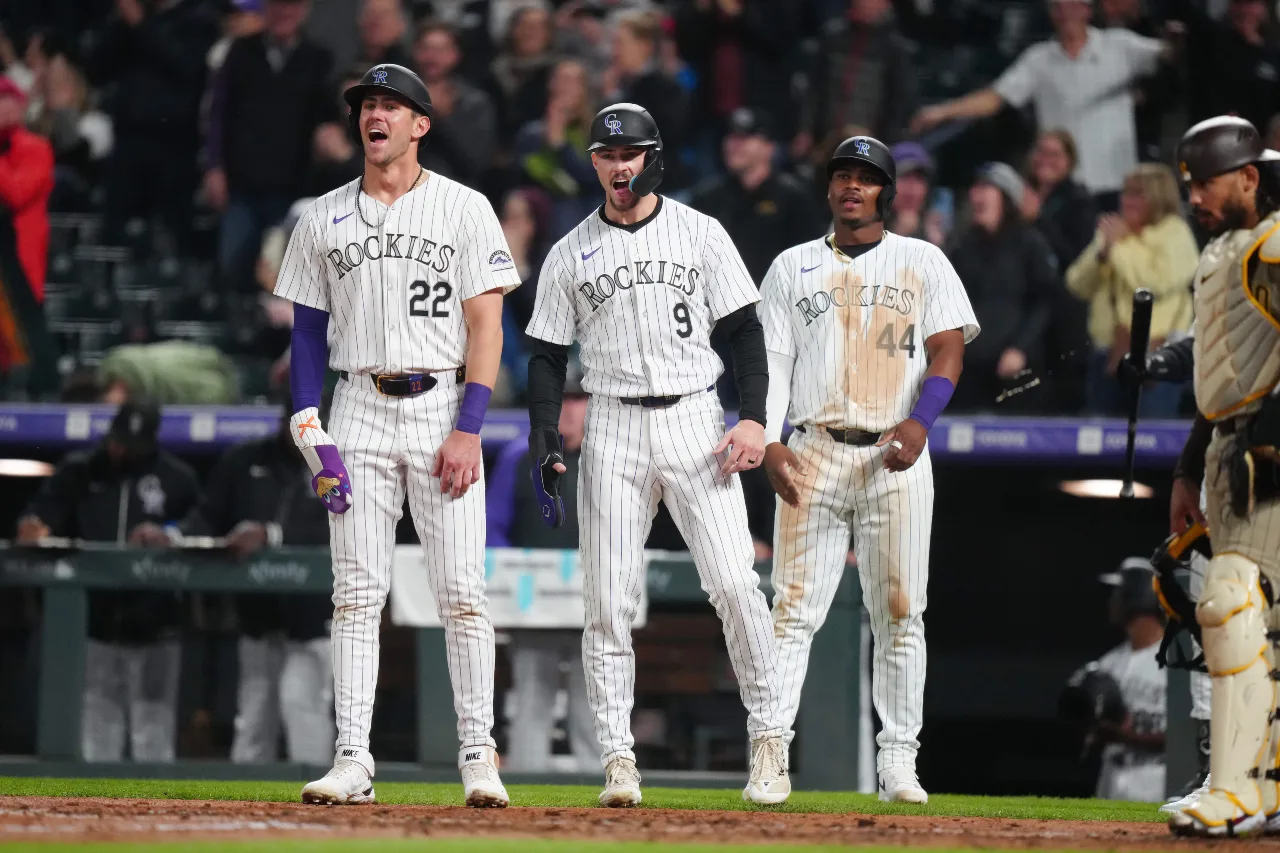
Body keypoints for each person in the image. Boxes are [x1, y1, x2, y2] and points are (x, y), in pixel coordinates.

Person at [524, 103, 791, 808]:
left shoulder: (701, 233)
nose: (620, 166)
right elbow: (547, 356)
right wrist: (545, 433)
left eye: (631, 154)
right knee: (608, 601)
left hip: (695, 417)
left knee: (736, 584)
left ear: (653, 157)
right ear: (594, 164)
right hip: (611, 424)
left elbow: (745, 332)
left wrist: (757, 418)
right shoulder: (570, 250)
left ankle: (770, 740)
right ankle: (617, 758)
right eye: (608, 156)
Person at [273, 63, 520, 807]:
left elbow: (488, 326)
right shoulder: (321, 215)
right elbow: (307, 335)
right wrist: (314, 434)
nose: (375, 115)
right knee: (355, 594)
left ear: (421, 124)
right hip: (359, 405)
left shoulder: (465, 207)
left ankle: (478, 754)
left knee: (462, 594)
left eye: (391, 106)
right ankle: (353, 758)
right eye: (367, 106)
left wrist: (470, 427)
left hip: (441, 402)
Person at [758, 136, 978, 804]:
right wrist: (769, 440)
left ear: (887, 191)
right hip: (814, 445)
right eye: (843, 176)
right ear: (829, 188)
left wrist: (921, 422)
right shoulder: (791, 267)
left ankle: (898, 763)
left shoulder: (922, 260)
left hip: (894, 449)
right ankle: (769, 753)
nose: (853, 186)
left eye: (867, 177)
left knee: (901, 613)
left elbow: (946, 352)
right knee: (791, 613)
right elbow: (770, 363)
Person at [1160, 115, 1280, 838]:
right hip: (1228, 444)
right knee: (1263, 619)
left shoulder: (1272, 242)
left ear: (1248, 178)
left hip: (1267, 448)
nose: (1195, 196)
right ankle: (1261, 787)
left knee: (1232, 599)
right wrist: (1186, 467)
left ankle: (1234, 787)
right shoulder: (1223, 252)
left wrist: (1268, 432)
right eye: (1189, 184)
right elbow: (1219, 374)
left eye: (1206, 181)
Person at [16, 399, 200, 762]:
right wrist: (33, 523)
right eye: (116, 440)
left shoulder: (176, 477)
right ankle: (99, 816)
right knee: (98, 728)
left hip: (154, 623)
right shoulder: (80, 471)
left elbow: (201, 523)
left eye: (129, 446)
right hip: (95, 624)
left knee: (153, 733)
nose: (118, 450)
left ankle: (159, 815)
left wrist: (170, 533)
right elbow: (41, 515)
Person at [167, 398, 335, 765]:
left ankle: (320, 799)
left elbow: (337, 528)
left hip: (314, 618)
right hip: (257, 616)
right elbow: (208, 515)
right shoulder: (245, 460)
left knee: (302, 705)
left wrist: (271, 533)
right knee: (254, 713)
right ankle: (248, 802)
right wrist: (174, 536)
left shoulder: (338, 462)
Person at [909, 0, 1177, 210]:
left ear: (1086, 10)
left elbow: (1167, 54)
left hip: (1115, 185)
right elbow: (995, 98)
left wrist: (1177, 37)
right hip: (1063, 189)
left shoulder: (1120, 47)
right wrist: (942, 111)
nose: (1065, 14)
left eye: (1072, 6)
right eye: (1058, 7)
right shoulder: (1039, 60)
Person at [486, 384, 595, 774]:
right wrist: (510, 583)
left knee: (595, 703)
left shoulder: (609, 458)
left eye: (579, 400)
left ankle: (600, 788)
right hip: (533, 603)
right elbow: (494, 526)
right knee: (532, 697)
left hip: (593, 603)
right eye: (562, 399)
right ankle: (526, 791)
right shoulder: (521, 456)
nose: (569, 409)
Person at [203, 0, 333, 293]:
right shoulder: (240, 52)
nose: (284, 12)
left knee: (289, 277)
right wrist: (214, 166)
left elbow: (327, 120)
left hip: (293, 190)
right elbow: (217, 114)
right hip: (241, 187)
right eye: (277, 5)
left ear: (304, 10)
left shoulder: (318, 59)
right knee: (232, 269)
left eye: (292, 6)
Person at [1065, 163, 1198, 417]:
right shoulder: (1115, 231)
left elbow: (1154, 284)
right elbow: (1076, 284)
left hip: (1158, 356)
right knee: (1101, 441)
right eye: (1125, 193)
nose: (1127, 200)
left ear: (1158, 197)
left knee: (1149, 441)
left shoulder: (1175, 233)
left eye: (1137, 194)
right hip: (1108, 354)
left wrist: (1119, 248)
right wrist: (1102, 255)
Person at [945, 162, 1056, 413]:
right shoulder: (961, 246)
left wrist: (1020, 348)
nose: (976, 195)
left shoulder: (1030, 244)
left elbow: (1044, 303)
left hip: (1014, 369)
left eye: (986, 188)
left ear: (1006, 198)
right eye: (975, 189)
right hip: (968, 368)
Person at [688, 107, 824, 286]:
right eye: (731, 137)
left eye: (744, 138)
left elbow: (811, 265)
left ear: (769, 147)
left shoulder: (794, 199)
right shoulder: (706, 198)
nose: (733, 145)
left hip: (776, 303)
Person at [1087, 560, 1168, 803]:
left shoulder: (1180, 661)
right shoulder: (1108, 663)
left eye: (1118, 593)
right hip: (1112, 777)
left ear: (1138, 596)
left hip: (1157, 780)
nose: (1112, 601)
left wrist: (1124, 738)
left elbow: (1190, 738)